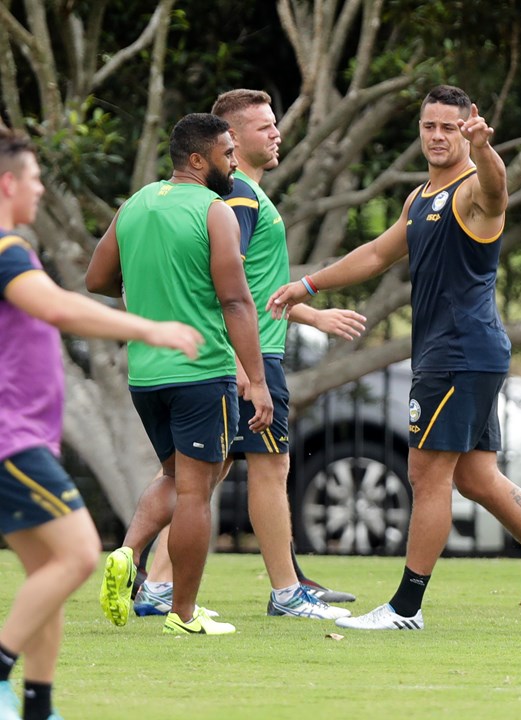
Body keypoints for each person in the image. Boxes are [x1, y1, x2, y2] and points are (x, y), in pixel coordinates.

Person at [267, 85, 521, 632]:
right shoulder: (420, 197)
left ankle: (405, 608)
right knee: (477, 478)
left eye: (450, 127)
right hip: (459, 352)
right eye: (430, 126)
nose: (438, 136)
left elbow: (497, 192)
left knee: (426, 476)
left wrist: (486, 150)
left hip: (458, 352)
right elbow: (377, 252)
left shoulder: (472, 190)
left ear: (467, 129)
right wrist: (308, 284)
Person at [130, 89, 363, 621]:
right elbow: (223, 287)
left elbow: (252, 288)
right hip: (248, 358)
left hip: (245, 353)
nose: (277, 133)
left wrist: (312, 316)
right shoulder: (236, 198)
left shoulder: (245, 193)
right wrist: (243, 367)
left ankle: (159, 584)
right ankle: (287, 592)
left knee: (203, 476)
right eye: (264, 127)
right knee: (269, 466)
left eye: (275, 124)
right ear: (230, 138)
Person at [0, 128, 202, 720]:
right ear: (8, 184)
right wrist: (149, 327)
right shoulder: (8, 252)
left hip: (24, 439)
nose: (42, 188)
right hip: (12, 442)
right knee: (79, 555)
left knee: (47, 572)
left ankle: (38, 706)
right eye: (35, 178)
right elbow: (58, 306)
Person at [86, 113, 274, 635]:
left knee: (174, 477)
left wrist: (149, 288)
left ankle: (128, 553)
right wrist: (258, 381)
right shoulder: (215, 212)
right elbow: (236, 301)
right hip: (201, 372)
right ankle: (183, 614)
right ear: (197, 159)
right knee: (195, 492)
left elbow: (97, 279)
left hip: (146, 376)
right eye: (226, 154)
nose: (233, 163)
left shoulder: (135, 204)